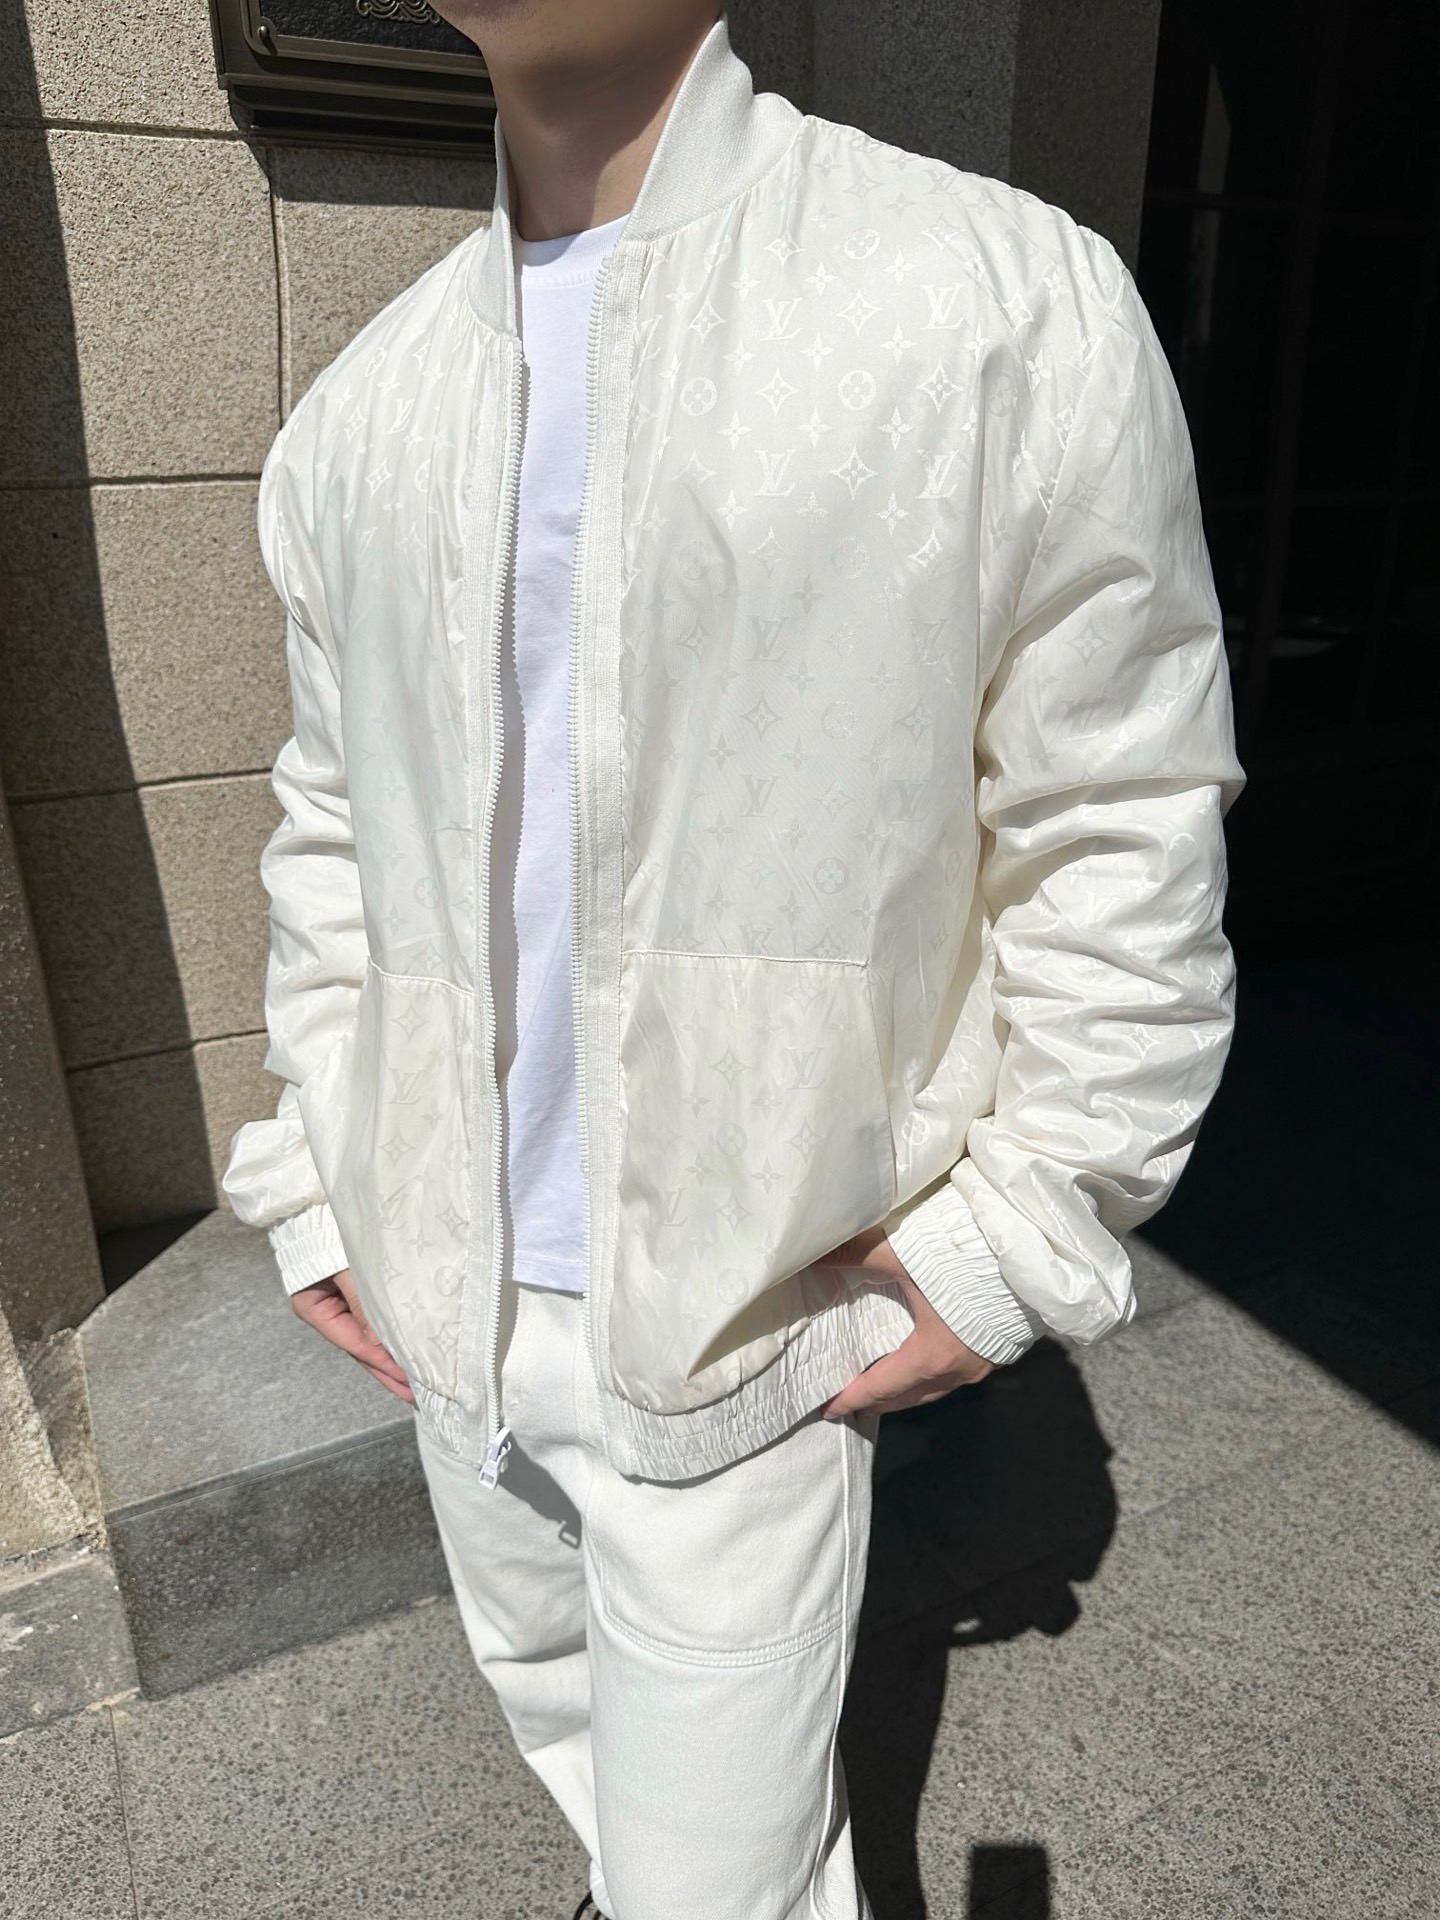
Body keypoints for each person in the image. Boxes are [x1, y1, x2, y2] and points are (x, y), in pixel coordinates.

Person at [221, 5, 1245, 1915]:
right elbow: (333, 831)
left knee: (718, 1878)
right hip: (451, 1302)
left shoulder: (990, 302)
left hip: (751, 1305)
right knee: (578, 1756)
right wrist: (314, 1167)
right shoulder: (367, 408)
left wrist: (1026, 1224)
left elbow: (1115, 811)